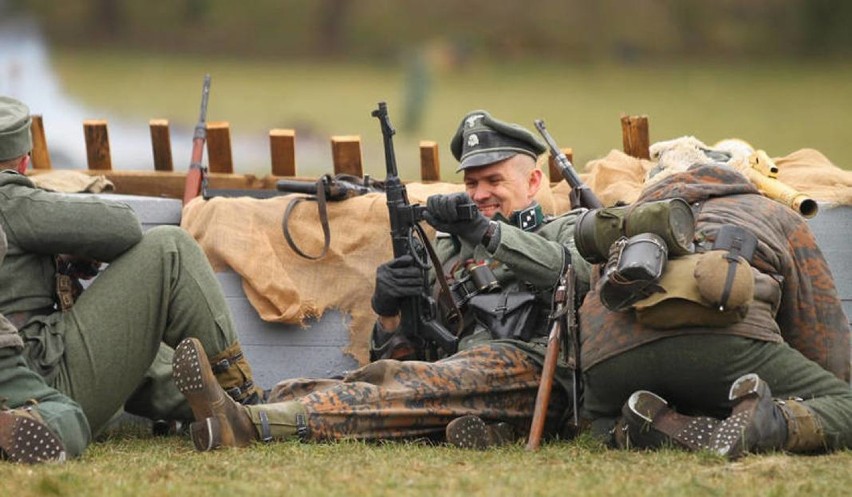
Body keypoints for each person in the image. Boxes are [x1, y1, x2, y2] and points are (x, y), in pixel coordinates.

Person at [171, 109, 593, 451]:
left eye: (494, 181)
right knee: (354, 381)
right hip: (457, 377)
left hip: (536, 375)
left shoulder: (566, 229)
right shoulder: (449, 250)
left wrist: (488, 234)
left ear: (534, 181)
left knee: (413, 385)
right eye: (471, 183)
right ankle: (241, 406)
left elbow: (573, 274)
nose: (480, 194)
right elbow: (408, 352)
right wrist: (389, 312)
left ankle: (253, 425)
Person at [0, 95, 263, 461]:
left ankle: (228, 406)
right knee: (170, 249)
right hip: (39, 376)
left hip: (22, 371)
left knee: (142, 343)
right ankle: (246, 396)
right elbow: (124, 227)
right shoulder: (10, 199)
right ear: (24, 160)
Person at [578, 158, 852, 458]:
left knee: (597, 419)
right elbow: (824, 342)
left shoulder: (627, 218)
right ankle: (768, 424)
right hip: (728, 347)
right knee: (844, 404)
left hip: (614, 358)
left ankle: (628, 428)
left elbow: (597, 298)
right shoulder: (775, 213)